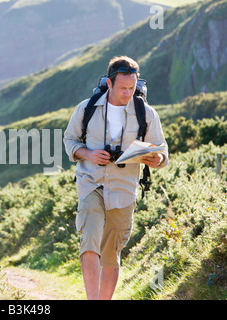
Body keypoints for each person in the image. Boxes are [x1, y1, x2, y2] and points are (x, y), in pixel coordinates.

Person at [63, 56, 169, 300]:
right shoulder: (86, 108)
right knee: (89, 240)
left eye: (131, 88)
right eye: (122, 88)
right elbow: (70, 141)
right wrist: (88, 153)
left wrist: (157, 160)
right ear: (109, 84)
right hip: (91, 183)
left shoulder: (146, 113)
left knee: (111, 253)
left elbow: (162, 150)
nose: (127, 93)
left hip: (124, 190)